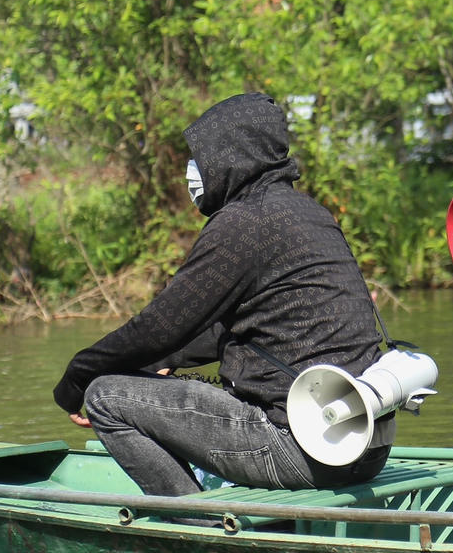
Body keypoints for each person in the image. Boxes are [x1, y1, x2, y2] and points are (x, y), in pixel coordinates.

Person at [53, 92, 392, 500]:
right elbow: (236, 325)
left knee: (105, 396)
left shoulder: (242, 223)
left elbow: (161, 326)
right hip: (366, 447)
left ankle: (193, 526)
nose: (192, 170)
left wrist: (79, 374)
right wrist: (167, 360)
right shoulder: (310, 214)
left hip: (301, 449)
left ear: (232, 155)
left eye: (199, 157)